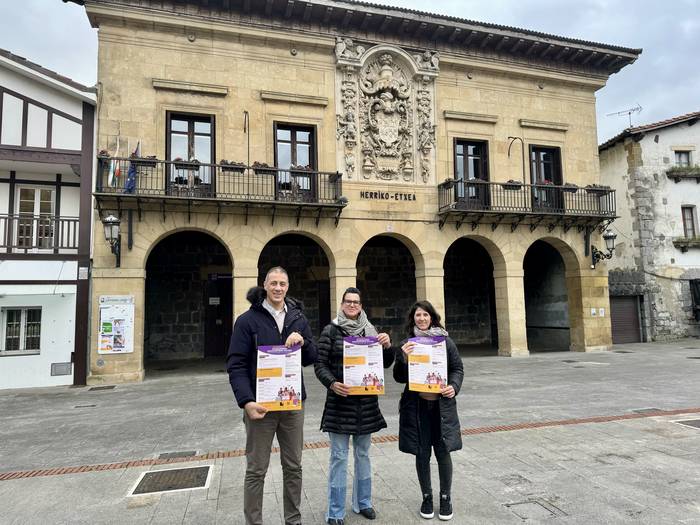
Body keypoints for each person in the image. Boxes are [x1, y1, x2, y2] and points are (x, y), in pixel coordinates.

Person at [226, 267, 317, 525]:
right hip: (261, 406)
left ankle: (293, 520)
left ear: (288, 286)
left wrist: (304, 342)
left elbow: (312, 357)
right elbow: (236, 364)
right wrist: (246, 401)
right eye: (274, 283)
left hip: (291, 406)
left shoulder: (298, 318)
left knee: (294, 467)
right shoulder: (247, 321)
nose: (278, 288)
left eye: (283, 284)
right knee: (256, 470)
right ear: (264, 285)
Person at [314, 287, 396, 525]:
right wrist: (332, 383)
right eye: (348, 302)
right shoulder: (330, 331)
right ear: (342, 304)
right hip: (340, 404)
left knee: (364, 455)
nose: (352, 305)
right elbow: (320, 364)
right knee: (339, 457)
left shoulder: (370, 331)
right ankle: (335, 511)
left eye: (356, 302)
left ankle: (364, 503)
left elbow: (385, 364)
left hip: (366, 405)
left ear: (361, 306)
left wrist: (388, 346)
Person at [394, 301, 464, 521]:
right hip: (418, 407)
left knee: (443, 452)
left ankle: (445, 497)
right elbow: (398, 377)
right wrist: (403, 358)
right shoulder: (408, 343)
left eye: (425, 315)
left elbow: (457, 368)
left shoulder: (445, 342)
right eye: (418, 315)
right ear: (412, 319)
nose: (422, 319)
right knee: (422, 453)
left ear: (432, 317)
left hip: (442, 407)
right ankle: (426, 496)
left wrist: (454, 386)